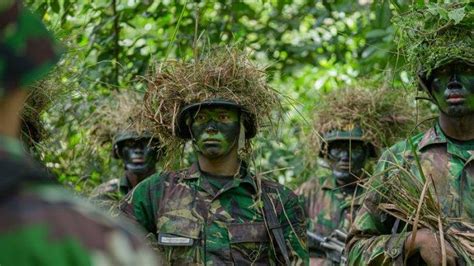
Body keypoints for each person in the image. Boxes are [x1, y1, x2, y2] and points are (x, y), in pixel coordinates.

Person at [0, 1, 158, 265]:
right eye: (130, 145)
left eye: (144, 144)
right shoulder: (89, 232)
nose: (138, 152)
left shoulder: (167, 191)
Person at [120, 47, 308, 265]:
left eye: (222, 116)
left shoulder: (277, 201)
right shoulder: (155, 192)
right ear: (190, 128)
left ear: (241, 127)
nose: (211, 127)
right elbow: (112, 246)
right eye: (201, 118)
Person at [346, 3, 473, 265]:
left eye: (466, 70)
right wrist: (413, 241)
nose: (453, 82)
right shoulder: (402, 159)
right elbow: (355, 250)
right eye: (441, 72)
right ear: (427, 85)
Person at [296, 87, 416, 265]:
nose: (345, 157)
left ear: (368, 153)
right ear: (326, 154)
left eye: (354, 149)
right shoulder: (309, 192)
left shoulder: (381, 194)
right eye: (337, 149)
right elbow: (285, 241)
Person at [91, 131, 161, 201]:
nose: (138, 150)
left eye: (147, 143)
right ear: (119, 151)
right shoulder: (105, 194)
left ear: (158, 152)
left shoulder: (169, 191)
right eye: (130, 143)